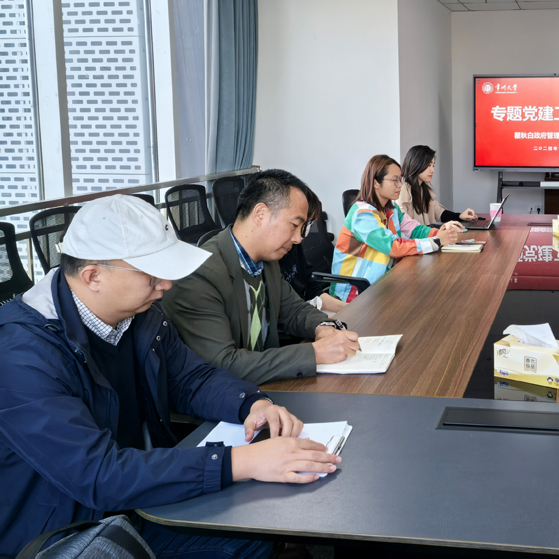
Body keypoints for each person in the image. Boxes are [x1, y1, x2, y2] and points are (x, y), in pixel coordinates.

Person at [0, 195, 340, 558]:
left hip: (131, 497)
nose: (166, 285)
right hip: (66, 531)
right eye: (152, 274)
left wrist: (251, 404)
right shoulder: (22, 355)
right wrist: (244, 461)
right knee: (252, 537)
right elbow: (98, 475)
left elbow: (191, 379)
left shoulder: (140, 314)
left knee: (264, 520)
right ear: (93, 276)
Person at [163, 170, 360, 386]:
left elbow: (294, 310)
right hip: (227, 398)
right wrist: (315, 353)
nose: (298, 238)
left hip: (265, 387)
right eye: (294, 225)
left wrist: (322, 327)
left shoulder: (267, 261)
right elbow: (223, 364)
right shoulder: (199, 274)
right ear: (260, 214)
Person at [332, 154, 463, 302]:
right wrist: (437, 241)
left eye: (400, 180)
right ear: (375, 182)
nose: (400, 185)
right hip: (355, 292)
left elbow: (415, 230)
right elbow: (393, 246)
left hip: (382, 283)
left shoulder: (391, 209)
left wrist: (441, 233)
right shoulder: (362, 214)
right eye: (395, 180)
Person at [397, 145, 477, 226]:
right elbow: (406, 226)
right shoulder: (402, 191)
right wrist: (441, 228)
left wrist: (460, 216)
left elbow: (440, 213)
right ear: (416, 164)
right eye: (428, 165)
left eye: (433, 166)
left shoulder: (424, 190)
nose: (432, 170)